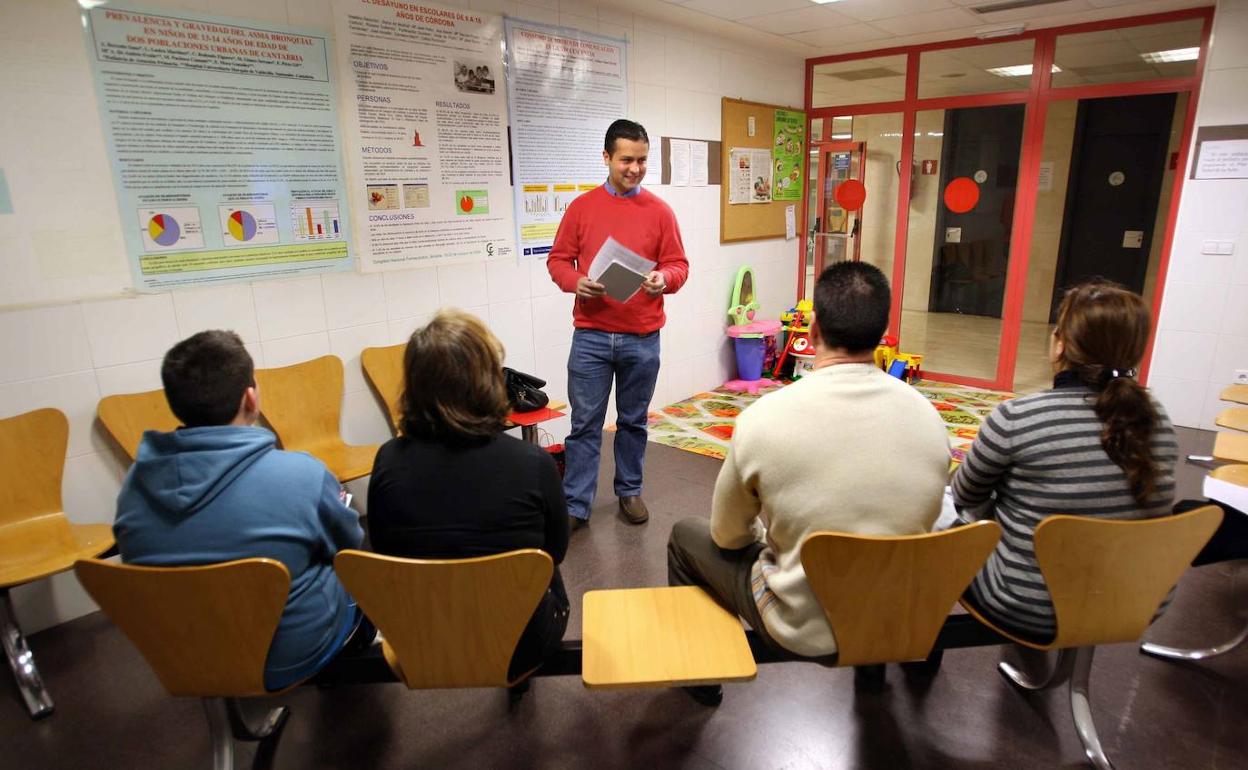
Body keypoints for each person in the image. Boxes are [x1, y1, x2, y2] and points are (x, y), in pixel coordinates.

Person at [667, 262, 951, 686]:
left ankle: (700, 680)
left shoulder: (763, 419)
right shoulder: (930, 419)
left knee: (684, 537)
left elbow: (728, 536)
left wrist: (767, 541)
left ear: (813, 329)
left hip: (802, 628)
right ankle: (874, 676)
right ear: (883, 330)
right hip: (900, 616)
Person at [113, 330, 370, 691]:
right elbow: (350, 547)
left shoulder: (134, 488)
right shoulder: (302, 475)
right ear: (251, 398)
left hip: (183, 656)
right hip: (287, 656)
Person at [952, 281, 1179, 642]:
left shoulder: (1017, 416)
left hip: (1029, 606)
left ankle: (920, 647)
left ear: (1059, 344)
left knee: (946, 520)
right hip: (1135, 600)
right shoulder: (1158, 420)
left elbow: (964, 495)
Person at [367, 309, 570, 682]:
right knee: (545, 568)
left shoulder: (388, 462)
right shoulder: (533, 463)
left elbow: (384, 553)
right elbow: (554, 552)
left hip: (423, 640)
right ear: (489, 381)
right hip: (522, 643)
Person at [547, 118, 688, 527]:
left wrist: (666, 279)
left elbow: (679, 264)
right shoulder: (582, 208)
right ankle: (576, 505)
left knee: (633, 422)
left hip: (642, 338)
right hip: (591, 337)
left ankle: (629, 491)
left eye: (642, 160)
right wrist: (577, 282)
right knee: (584, 424)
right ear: (606, 157)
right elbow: (558, 261)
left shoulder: (660, 212)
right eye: (627, 159)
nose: (635, 168)